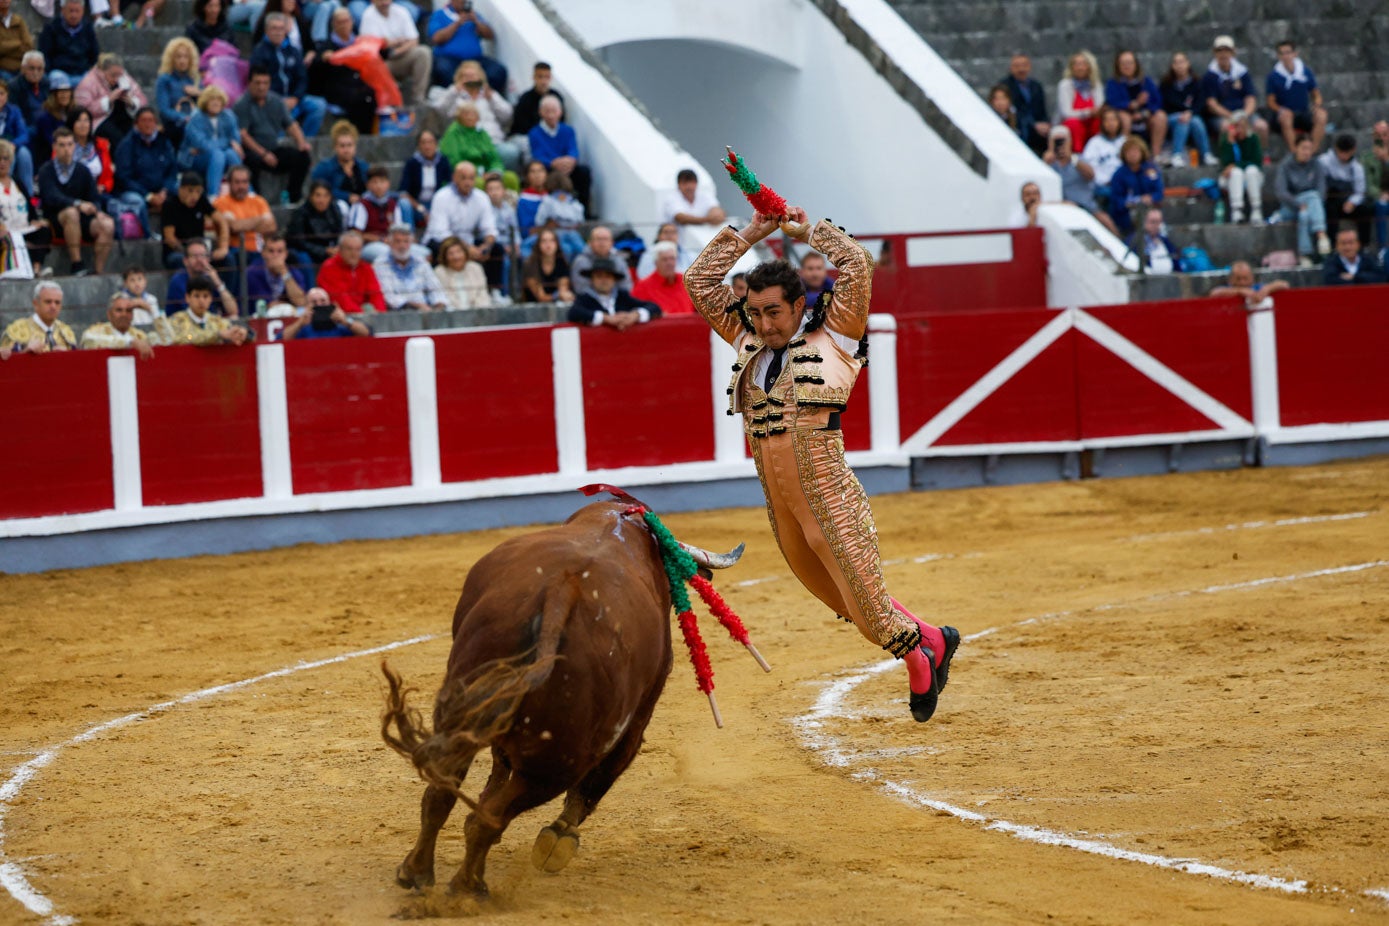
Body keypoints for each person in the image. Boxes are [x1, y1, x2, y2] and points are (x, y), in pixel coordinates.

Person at [685, 204, 959, 722]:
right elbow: (699, 281)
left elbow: (857, 263)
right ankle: (932, 641)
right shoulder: (747, 338)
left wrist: (806, 231)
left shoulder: (836, 333)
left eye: (774, 312)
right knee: (840, 597)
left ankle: (920, 661)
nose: (763, 323)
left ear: (798, 304)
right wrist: (751, 233)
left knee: (864, 601)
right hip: (783, 505)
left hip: (831, 495)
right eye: (756, 312)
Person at [36, 127, 114, 276]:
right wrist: (77, 203)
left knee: (107, 224)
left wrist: (97, 210)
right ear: (54, 147)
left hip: (82, 218)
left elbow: (94, 197)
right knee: (71, 213)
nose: (67, 149)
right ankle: (76, 263)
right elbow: (52, 197)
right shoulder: (46, 170)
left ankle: (98, 270)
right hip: (56, 218)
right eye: (62, 145)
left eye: (70, 144)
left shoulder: (82, 170)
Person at [235, 67, 313, 204]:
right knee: (251, 161)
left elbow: (291, 125)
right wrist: (263, 154)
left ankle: (293, 197)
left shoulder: (276, 101)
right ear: (250, 83)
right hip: (253, 151)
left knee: (302, 157)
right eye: (258, 83)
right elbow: (243, 135)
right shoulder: (242, 104)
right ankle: (256, 200)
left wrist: (301, 143)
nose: (261, 87)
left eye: (265, 83)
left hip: (274, 148)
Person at [249, 14, 326, 139]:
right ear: (267, 30)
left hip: (294, 98)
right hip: (272, 100)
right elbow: (258, 82)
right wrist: (277, 100)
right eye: (274, 28)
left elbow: (302, 78)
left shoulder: (293, 51)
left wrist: (295, 98)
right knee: (276, 115)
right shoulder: (259, 52)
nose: (278, 32)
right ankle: (280, 146)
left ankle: (307, 140)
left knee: (319, 105)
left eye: (281, 29)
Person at [434, 59, 517, 170]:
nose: (470, 79)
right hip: (462, 145)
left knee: (511, 152)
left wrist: (492, 98)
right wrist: (454, 91)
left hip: (492, 143)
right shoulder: (453, 94)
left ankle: (497, 181)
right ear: (459, 78)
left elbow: (508, 115)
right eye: (465, 76)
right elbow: (438, 110)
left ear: (480, 78)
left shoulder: (489, 95)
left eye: (473, 76)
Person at [422, 161, 497, 274]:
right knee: (441, 248)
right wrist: (465, 248)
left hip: (469, 241)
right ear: (454, 178)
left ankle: (494, 289)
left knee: (497, 249)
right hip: (442, 240)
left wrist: (486, 247)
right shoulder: (441, 196)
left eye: (471, 178)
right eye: (463, 178)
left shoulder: (482, 197)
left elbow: (490, 228)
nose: (468, 182)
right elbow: (440, 232)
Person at [1047, 124, 1119, 235]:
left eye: (1063, 141)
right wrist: (1045, 162)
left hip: (1086, 207)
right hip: (1061, 207)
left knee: (1106, 222)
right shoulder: (1047, 164)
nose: (1059, 145)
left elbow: (1091, 175)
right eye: (1056, 141)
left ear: (1070, 141)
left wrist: (1071, 158)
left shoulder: (1079, 159)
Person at [357, 0, 430, 107]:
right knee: (373, 65)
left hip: (400, 56)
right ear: (373, 1)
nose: (384, 2)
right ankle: (388, 103)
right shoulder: (368, 15)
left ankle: (418, 99)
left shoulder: (401, 11)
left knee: (423, 52)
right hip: (381, 62)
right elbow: (374, 48)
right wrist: (396, 42)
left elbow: (414, 40)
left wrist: (394, 49)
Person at [1202, 35, 1268, 149]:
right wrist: (1232, 117)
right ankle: (1228, 160)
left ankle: (1260, 157)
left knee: (1262, 126)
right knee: (1225, 127)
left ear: (1233, 52)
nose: (1223, 54)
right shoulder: (1209, 76)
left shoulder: (1242, 72)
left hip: (1244, 114)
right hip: (1222, 116)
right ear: (1215, 53)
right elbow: (1212, 104)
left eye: (1227, 50)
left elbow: (1251, 98)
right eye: (1220, 51)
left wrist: (1244, 115)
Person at [528, 95, 590, 215]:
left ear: (560, 112)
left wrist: (570, 160)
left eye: (554, 111)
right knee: (545, 174)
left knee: (583, 172)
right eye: (547, 111)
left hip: (567, 167)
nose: (551, 115)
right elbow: (538, 155)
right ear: (541, 112)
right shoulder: (534, 133)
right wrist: (553, 163)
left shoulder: (568, 130)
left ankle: (584, 212)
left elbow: (573, 150)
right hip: (549, 168)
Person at [1274, 134, 1330, 266]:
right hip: (1290, 206)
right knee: (1312, 196)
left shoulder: (1316, 164)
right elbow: (1281, 192)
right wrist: (1299, 204)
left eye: (1310, 149)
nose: (1307, 152)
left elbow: (1322, 190)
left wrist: (1308, 206)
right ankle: (1321, 234)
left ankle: (1305, 255)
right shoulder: (1286, 165)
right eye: (1304, 148)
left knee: (1305, 214)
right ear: (1296, 148)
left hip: (1311, 207)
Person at [426, 0, 504, 92]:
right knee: (443, 70)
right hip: (449, 59)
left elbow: (490, 35)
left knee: (498, 71)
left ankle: (479, 93)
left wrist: (476, 22)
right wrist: (458, 23)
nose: (463, 1)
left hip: (475, 59)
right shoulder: (439, 15)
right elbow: (437, 38)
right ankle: (459, 94)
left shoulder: (475, 16)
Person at [178, 85, 242, 195]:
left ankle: (247, 192)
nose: (216, 103)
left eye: (218, 100)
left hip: (221, 155)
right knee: (218, 154)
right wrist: (227, 142)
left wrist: (232, 144)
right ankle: (213, 195)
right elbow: (204, 145)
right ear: (205, 102)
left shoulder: (229, 116)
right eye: (212, 100)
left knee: (231, 154)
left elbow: (236, 140)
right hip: (194, 158)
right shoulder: (195, 119)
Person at [1106, 50, 1167, 163]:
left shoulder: (1146, 81)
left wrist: (1145, 113)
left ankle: (1156, 154)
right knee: (1124, 118)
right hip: (1125, 118)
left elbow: (1157, 101)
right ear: (1118, 66)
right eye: (1123, 63)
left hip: (1145, 118)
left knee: (1161, 116)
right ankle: (1124, 154)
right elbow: (1112, 102)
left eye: (1129, 63)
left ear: (1136, 64)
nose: (1127, 66)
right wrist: (1132, 105)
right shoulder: (1113, 83)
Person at [74, 53, 148, 147]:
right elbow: (84, 110)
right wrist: (108, 100)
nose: (117, 79)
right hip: (100, 121)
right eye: (113, 75)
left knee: (139, 136)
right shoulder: (88, 82)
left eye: (119, 75)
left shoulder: (125, 78)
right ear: (102, 72)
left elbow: (142, 100)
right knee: (120, 141)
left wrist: (132, 102)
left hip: (125, 119)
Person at [1266, 40, 1327, 153]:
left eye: (1288, 52)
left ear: (1295, 53)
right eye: (1282, 53)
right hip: (1284, 115)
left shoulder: (1305, 71)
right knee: (1286, 117)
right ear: (1278, 56)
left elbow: (1316, 94)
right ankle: (1295, 152)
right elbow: (1270, 101)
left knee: (1321, 116)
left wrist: (1317, 105)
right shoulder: (1273, 76)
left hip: (1303, 112)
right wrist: (1281, 110)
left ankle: (1312, 150)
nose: (1285, 56)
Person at [162, 171, 231, 269]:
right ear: (180, 190)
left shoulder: (201, 201)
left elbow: (222, 221)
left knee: (228, 259)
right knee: (179, 260)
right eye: (190, 191)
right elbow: (170, 238)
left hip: (201, 251)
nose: (194, 196)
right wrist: (190, 254)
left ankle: (223, 285)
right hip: (178, 252)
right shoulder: (170, 204)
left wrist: (223, 247)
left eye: (198, 191)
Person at [568, 257, 659, 329]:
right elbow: (574, 313)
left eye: (608, 276)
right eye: (599, 276)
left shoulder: (622, 296)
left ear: (614, 280)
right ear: (592, 280)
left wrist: (634, 315)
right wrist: (606, 318)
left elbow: (654, 307)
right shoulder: (585, 298)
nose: (604, 280)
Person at [350, 165, 417, 262]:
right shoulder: (361, 205)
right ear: (368, 185)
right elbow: (355, 234)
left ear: (388, 184)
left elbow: (398, 229)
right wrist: (380, 239)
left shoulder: (393, 204)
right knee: (389, 254)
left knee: (423, 253)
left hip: (392, 243)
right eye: (375, 182)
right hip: (369, 245)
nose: (379, 186)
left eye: (382, 182)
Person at [374, 222, 447, 311]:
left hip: (426, 312)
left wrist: (438, 306)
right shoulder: (380, 263)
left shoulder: (420, 261)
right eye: (398, 241)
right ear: (390, 243)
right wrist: (417, 306)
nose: (402, 246)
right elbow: (388, 297)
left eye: (406, 241)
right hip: (397, 314)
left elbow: (435, 288)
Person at [1159, 52, 1215, 168]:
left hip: (1192, 115)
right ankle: (1176, 154)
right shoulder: (1166, 84)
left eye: (1182, 62)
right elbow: (1166, 105)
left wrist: (1190, 112)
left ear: (1188, 64)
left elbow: (1200, 103)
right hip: (1172, 117)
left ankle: (1206, 154)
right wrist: (1184, 112)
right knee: (1182, 120)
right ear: (1172, 66)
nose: (1179, 65)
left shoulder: (1197, 83)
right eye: (1176, 63)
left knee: (1196, 121)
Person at [1319, 134, 1373, 247]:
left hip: (1347, 201)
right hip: (1330, 200)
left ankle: (1364, 245)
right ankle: (1332, 246)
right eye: (1341, 152)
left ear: (1353, 150)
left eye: (1346, 153)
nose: (1343, 156)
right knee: (1329, 210)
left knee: (1365, 210)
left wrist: (1352, 202)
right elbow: (1320, 185)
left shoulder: (1357, 168)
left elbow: (1360, 190)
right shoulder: (1324, 162)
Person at [213, 164, 275, 261]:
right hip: (235, 250)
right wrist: (260, 219)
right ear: (229, 183)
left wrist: (243, 224)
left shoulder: (259, 201)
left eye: (244, 182)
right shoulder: (220, 202)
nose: (241, 186)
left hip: (259, 250)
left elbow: (272, 226)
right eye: (237, 182)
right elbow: (234, 226)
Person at [165, 238, 240, 316]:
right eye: (194, 256)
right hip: (184, 324)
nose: (199, 260)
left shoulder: (211, 278)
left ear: (208, 259)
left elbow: (233, 311)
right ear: (185, 261)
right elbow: (196, 313)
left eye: (203, 255)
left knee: (234, 317)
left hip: (209, 322)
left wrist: (218, 282)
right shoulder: (178, 280)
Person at [1, 281, 76, 357]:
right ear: (36, 304)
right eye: (48, 302)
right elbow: (5, 364)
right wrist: (25, 353)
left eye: (57, 302)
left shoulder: (66, 332)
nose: (53, 306)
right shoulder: (16, 330)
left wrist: (67, 355)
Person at [1108, 136, 1165, 237]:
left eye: (1136, 151)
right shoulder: (1119, 174)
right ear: (1124, 154)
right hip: (1127, 213)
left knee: (1156, 218)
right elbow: (1116, 200)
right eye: (1129, 152)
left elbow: (1159, 192)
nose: (1133, 154)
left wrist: (1150, 198)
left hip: (1149, 208)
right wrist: (1132, 202)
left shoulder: (1151, 169)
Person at [169, 274, 250, 345]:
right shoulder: (177, 320)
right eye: (196, 296)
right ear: (187, 297)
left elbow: (249, 334)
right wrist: (218, 335)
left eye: (205, 296)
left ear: (211, 298)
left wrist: (242, 333)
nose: (201, 301)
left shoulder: (217, 321)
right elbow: (187, 337)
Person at [318, 229, 385, 313]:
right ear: (340, 250)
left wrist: (380, 314)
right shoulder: (329, 267)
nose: (354, 253)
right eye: (349, 249)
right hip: (340, 316)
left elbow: (376, 294)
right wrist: (363, 314)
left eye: (358, 249)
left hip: (364, 316)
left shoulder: (365, 268)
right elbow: (340, 299)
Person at [659, 168, 726, 250]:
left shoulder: (704, 195)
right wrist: (708, 219)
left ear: (696, 184)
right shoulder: (671, 198)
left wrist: (717, 216)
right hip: (675, 247)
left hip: (703, 245)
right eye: (685, 183)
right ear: (679, 185)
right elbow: (681, 218)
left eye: (692, 182)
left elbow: (717, 211)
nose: (689, 186)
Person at [287, 178, 344, 274]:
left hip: (328, 248)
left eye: (326, 196)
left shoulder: (334, 209)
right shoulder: (300, 213)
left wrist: (338, 247)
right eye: (318, 195)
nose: (322, 200)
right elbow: (299, 241)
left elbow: (339, 232)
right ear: (311, 196)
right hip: (303, 250)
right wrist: (323, 250)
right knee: (305, 258)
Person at [1216, 112, 1264, 225]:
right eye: (1236, 126)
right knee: (1236, 173)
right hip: (1230, 178)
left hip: (1252, 177)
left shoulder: (1253, 138)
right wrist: (1230, 144)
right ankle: (1236, 211)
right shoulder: (1226, 139)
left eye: (1242, 126)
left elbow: (1256, 162)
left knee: (1250, 170)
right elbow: (1225, 164)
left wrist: (1237, 165)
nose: (1239, 129)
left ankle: (1256, 209)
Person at [309, 118, 368, 207]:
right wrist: (347, 196)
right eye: (342, 146)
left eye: (349, 145)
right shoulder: (325, 168)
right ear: (335, 147)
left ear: (355, 146)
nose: (346, 150)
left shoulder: (363, 167)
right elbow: (318, 191)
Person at [154, 38, 201, 148]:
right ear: (171, 59)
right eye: (178, 57)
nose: (182, 61)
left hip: (195, 119)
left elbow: (208, 101)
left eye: (186, 57)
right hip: (174, 124)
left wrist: (199, 93)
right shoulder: (164, 79)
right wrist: (184, 118)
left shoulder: (194, 79)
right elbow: (164, 110)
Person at [81, 291, 157, 359]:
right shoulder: (96, 331)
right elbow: (88, 340)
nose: (124, 314)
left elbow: (167, 341)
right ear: (109, 314)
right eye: (119, 310)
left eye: (128, 310)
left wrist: (151, 311)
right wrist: (129, 342)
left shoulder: (139, 336)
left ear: (133, 315)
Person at [399, 129, 449, 230]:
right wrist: (422, 210)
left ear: (436, 144)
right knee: (403, 203)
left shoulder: (443, 162)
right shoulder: (412, 163)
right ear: (418, 146)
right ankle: (409, 236)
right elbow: (403, 192)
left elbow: (450, 186)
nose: (427, 146)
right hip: (418, 205)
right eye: (423, 143)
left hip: (437, 204)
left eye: (430, 142)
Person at [246, 232, 308, 313]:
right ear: (263, 253)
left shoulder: (294, 272)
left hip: (289, 317)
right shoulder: (252, 273)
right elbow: (267, 306)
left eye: (280, 251)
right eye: (271, 251)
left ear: (286, 254)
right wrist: (290, 306)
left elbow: (301, 302)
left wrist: (284, 272)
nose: (275, 255)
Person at [440, 100, 504, 177]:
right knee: (479, 183)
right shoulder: (453, 132)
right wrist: (479, 173)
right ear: (459, 116)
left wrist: (495, 171)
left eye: (473, 114)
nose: (470, 117)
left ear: (478, 117)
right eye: (466, 114)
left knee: (510, 178)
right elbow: (454, 161)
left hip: (486, 172)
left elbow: (493, 157)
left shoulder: (482, 133)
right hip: (465, 175)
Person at [1002, 53, 1050, 155]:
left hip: (1039, 126)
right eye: (1017, 66)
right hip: (1018, 124)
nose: (1021, 69)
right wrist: (1033, 124)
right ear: (1011, 68)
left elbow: (1042, 110)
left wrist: (1046, 124)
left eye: (1024, 65)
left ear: (1029, 66)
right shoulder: (1005, 86)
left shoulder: (1036, 86)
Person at [38, 0, 99, 80]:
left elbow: (94, 53)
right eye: (71, 11)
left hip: (82, 71)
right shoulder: (51, 27)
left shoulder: (87, 27)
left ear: (83, 11)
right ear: (62, 10)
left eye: (77, 11)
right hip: (59, 71)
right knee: (56, 78)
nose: (74, 15)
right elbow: (45, 53)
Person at [530, 170, 584, 257]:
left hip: (563, 232)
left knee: (571, 249)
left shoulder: (548, 200)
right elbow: (580, 218)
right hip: (563, 232)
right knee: (577, 249)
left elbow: (539, 220)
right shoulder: (573, 201)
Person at [631, 240, 693, 316]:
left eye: (672, 258)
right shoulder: (642, 287)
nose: (669, 263)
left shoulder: (688, 282)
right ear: (656, 263)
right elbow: (633, 313)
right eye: (664, 259)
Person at [1056, 49, 1103, 149]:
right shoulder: (1065, 85)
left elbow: (1099, 108)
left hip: (1091, 123)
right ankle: (1077, 154)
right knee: (1073, 124)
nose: (1080, 68)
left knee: (1100, 122)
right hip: (1073, 124)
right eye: (1076, 64)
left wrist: (1094, 113)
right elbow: (1066, 113)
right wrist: (1088, 113)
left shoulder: (1096, 84)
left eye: (1083, 64)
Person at [283, 286, 373, 338]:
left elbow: (366, 333)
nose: (319, 304)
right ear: (308, 306)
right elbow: (281, 340)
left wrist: (345, 320)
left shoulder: (340, 326)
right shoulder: (303, 328)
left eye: (323, 301)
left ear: (330, 303)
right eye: (314, 302)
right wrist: (300, 322)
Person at [32, 69, 77, 166]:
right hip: (50, 161)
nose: (64, 95)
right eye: (60, 92)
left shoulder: (75, 112)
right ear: (54, 95)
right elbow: (53, 143)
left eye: (67, 91)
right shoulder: (44, 117)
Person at [569, 225, 630, 295]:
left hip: (616, 300)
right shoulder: (581, 261)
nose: (602, 243)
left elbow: (625, 286)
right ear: (590, 242)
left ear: (612, 243)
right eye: (598, 239)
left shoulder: (619, 260)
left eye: (605, 239)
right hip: (588, 301)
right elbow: (581, 289)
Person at [433, 234, 489, 309]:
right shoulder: (439, 271)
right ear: (445, 256)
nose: (456, 257)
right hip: (451, 316)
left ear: (465, 252)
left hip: (477, 316)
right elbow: (443, 299)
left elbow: (483, 296)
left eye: (459, 251)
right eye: (450, 253)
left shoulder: (476, 268)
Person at [1321, 223, 1386, 285]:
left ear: (1358, 244)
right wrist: (1361, 280)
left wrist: (1355, 277)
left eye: (1351, 242)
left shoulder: (1369, 259)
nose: (1347, 247)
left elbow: (1380, 277)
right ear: (1337, 246)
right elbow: (1329, 280)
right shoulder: (1330, 262)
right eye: (1343, 243)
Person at [512, 61, 563, 141]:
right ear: (534, 77)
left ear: (551, 78)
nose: (543, 81)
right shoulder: (525, 98)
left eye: (547, 77)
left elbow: (561, 121)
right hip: (527, 138)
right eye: (540, 77)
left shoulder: (557, 97)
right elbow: (521, 125)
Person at [520, 226, 572, 303]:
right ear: (538, 244)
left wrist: (563, 295)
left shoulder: (562, 263)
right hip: (532, 307)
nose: (548, 245)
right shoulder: (530, 264)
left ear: (557, 244)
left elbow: (563, 290)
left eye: (552, 241)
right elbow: (541, 297)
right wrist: (557, 296)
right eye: (544, 241)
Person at [1208, 259, 1291, 307]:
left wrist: (1267, 289)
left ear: (1252, 278)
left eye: (1245, 278)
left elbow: (1285, 285)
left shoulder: (1257, 288)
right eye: (1238, 279)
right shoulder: (1227, 289)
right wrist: (1239, 291)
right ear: (1230, 279)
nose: (1242, 282)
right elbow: (1214, 293)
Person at [0, 81, 32, 196]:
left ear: (7, 95)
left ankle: (28, 195)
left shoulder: (14, 111)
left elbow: (24, 135)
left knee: (24, 153)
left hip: (10, 146)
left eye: (1, 93)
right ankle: (5, 192)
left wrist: (13, 144)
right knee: (5, 156)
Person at [1361, 119, 1389, 249]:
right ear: (1373, 137)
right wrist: (1380, 194)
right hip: (1379, 198)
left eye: (1385, 134)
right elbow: (1368, 184)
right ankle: (1382, 248)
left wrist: (1386, 161)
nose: (1382, 138)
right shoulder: (1366, 158)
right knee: (1381, 206)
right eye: (1378, 135)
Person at [1130, 207, 1182, 274]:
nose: (1157, 226)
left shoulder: (1165, 241)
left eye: (1159, 222)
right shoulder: (1134, 241)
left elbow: (1176, 264)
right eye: (1153, 222)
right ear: (1143, 222)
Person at [9, 51, 47, 128]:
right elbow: (15, 116)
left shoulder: (46, 83)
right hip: (26, 125)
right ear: (23, 69)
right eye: (31, 68)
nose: (36, 72)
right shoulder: (14, 86)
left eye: (39, 69)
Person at [0, 0, 34, 86]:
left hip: (22, 68)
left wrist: (6, 48)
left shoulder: (18, 20)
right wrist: (18, 43)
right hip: (3, 69)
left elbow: (29, 47)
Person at [516, 158, 547, 236]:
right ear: (527, 176)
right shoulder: (524, 200)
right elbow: (525, 231)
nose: (537, 175)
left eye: (540, 171)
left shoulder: (552, 196)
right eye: (533, 172)